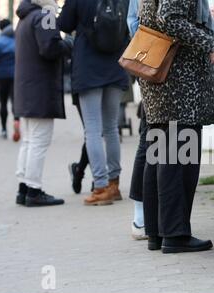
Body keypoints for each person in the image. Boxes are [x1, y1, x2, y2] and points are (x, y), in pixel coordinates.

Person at [139, 0, 214, 253]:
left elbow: (167, 16)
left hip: (162, 76)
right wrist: (209, 43)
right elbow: (170, 18)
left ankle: (158, 232)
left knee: (160, 157)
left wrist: (210, 31)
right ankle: (175, 234)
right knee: (178, 160)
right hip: (179, 83)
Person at [59, 0, 130, 206]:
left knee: (92, 129)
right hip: (117, 65)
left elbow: (63, 24)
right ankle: (114, 185)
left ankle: (100, 186)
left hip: (88, 67)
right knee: (111, 129)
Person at [14, 0, 72, 207]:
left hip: (26, 89)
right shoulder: (45, 15)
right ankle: (34, 191)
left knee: (29, 141)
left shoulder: (25, 17)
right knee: (39, 141)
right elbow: (49, 47)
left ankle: (23, 188)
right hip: (40, 89)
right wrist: (69, 43)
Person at [127, 0, 147, 240]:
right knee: (150, 139)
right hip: (156, 62)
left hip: (152, 60)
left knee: (152, 139)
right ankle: (141, 216)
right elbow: (135, 24)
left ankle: (146, 216)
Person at [0, 19, 20, 141]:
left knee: (3, 103)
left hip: (1, 75)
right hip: (16, 74)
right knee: (15, 101)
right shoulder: (17, 39)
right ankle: (17, 121)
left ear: (1, 29)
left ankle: (4, 130)